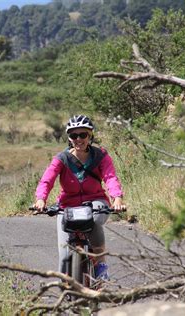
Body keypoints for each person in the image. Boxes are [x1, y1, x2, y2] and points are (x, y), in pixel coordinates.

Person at [34, 114, 126, 281]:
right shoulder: (61, 159)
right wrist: (41, 199)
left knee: (95, 219)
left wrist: (117, 198)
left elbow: (110, 177)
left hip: (96, 201)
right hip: (67, 206)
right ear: (69, 138)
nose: (78, 139)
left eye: (83, 134)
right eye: (74, 135)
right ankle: (67, 291)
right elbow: (46, 180)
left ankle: (101, 266)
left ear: (90, 135)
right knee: (63, 258)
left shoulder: (101, 156)